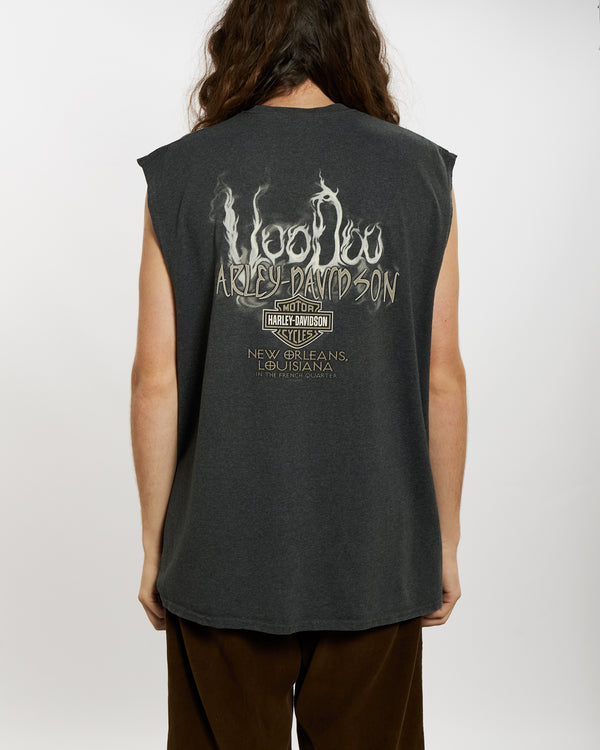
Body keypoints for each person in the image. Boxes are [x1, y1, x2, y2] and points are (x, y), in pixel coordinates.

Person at [130, 0, 467, 747]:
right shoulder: (420, 173)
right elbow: (442, 376)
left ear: (241, 38)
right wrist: (442, 542)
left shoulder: (182, 174)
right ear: (354, 39)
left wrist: (157, 547)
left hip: (219, 553)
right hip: (376, 554)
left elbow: (155, 379)